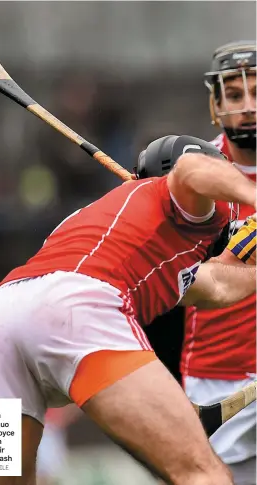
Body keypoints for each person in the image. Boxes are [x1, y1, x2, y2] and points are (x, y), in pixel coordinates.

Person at [0, 133, 256, 485]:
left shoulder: (123, 230)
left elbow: (218, 286)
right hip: (77, 306)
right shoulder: (182, 200)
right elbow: (190, 169)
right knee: (204, 475)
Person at [181, 41, 256, 485]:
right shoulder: (192, 176)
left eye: (256, 92)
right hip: (220, 383)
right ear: (215, 104)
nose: (247, 106)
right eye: (234, 94)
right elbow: (178, 287)